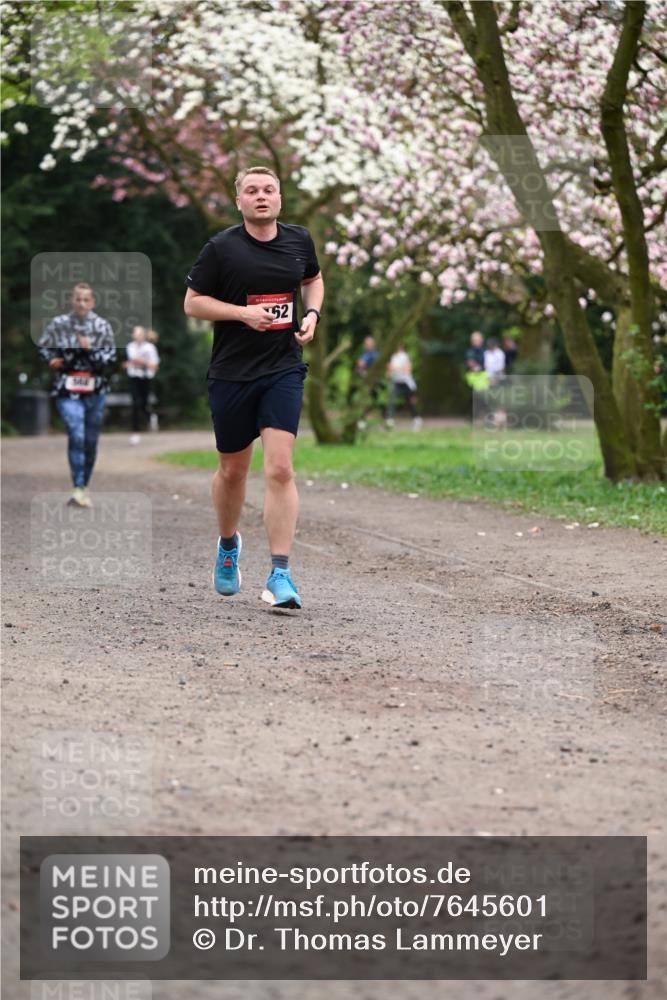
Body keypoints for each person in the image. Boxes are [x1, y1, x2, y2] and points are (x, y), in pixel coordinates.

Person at [184, 166, 324, 610]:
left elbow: (312, 279)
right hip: (231, 373)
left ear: (280, 198)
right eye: (251, 190)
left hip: (282, 367)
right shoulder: (221, 249)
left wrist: (313, 315)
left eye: (268, 190)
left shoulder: (299, 240)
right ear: (239, 200)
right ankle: (228, 546)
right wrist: (242, 314)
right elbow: (192, 303)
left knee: (280, 469)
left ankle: (280, 573)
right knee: (233, 471)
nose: (261, 196)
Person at [38, 282, 116, 507]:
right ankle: (78, 487)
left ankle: (84, 486)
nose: (81, 303)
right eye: (77, 299)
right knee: (76, 433)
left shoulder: (102, 326)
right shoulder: (59, 324)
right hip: (67, 386)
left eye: (85, 299)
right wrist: (50, 359)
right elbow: (43, 346)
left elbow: (110, 358)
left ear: (92, 302)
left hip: (95, 389)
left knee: (90, 441)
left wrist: (89, 349)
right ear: (71, 301)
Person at [124, 325, 160, 444]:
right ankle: (135, 432)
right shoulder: (130, 347)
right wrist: (128, 364)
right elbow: (129, 362)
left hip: (146, 378)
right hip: (134, 377)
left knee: (143, 404)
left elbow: (155, 366)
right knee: (135, 403)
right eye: (135, 333)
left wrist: (143, 362)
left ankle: (151, 417)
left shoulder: (150, 348)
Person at [385, 344, 422, 430]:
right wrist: (392, 371)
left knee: (410, 403)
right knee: (391, 400)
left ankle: (416, 419)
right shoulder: (393, 357)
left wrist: (395, 368)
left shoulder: (405, 356)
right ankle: (390, 420)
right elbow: (389, 372)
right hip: (396, 383)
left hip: (406, 383)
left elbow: (407, 370)